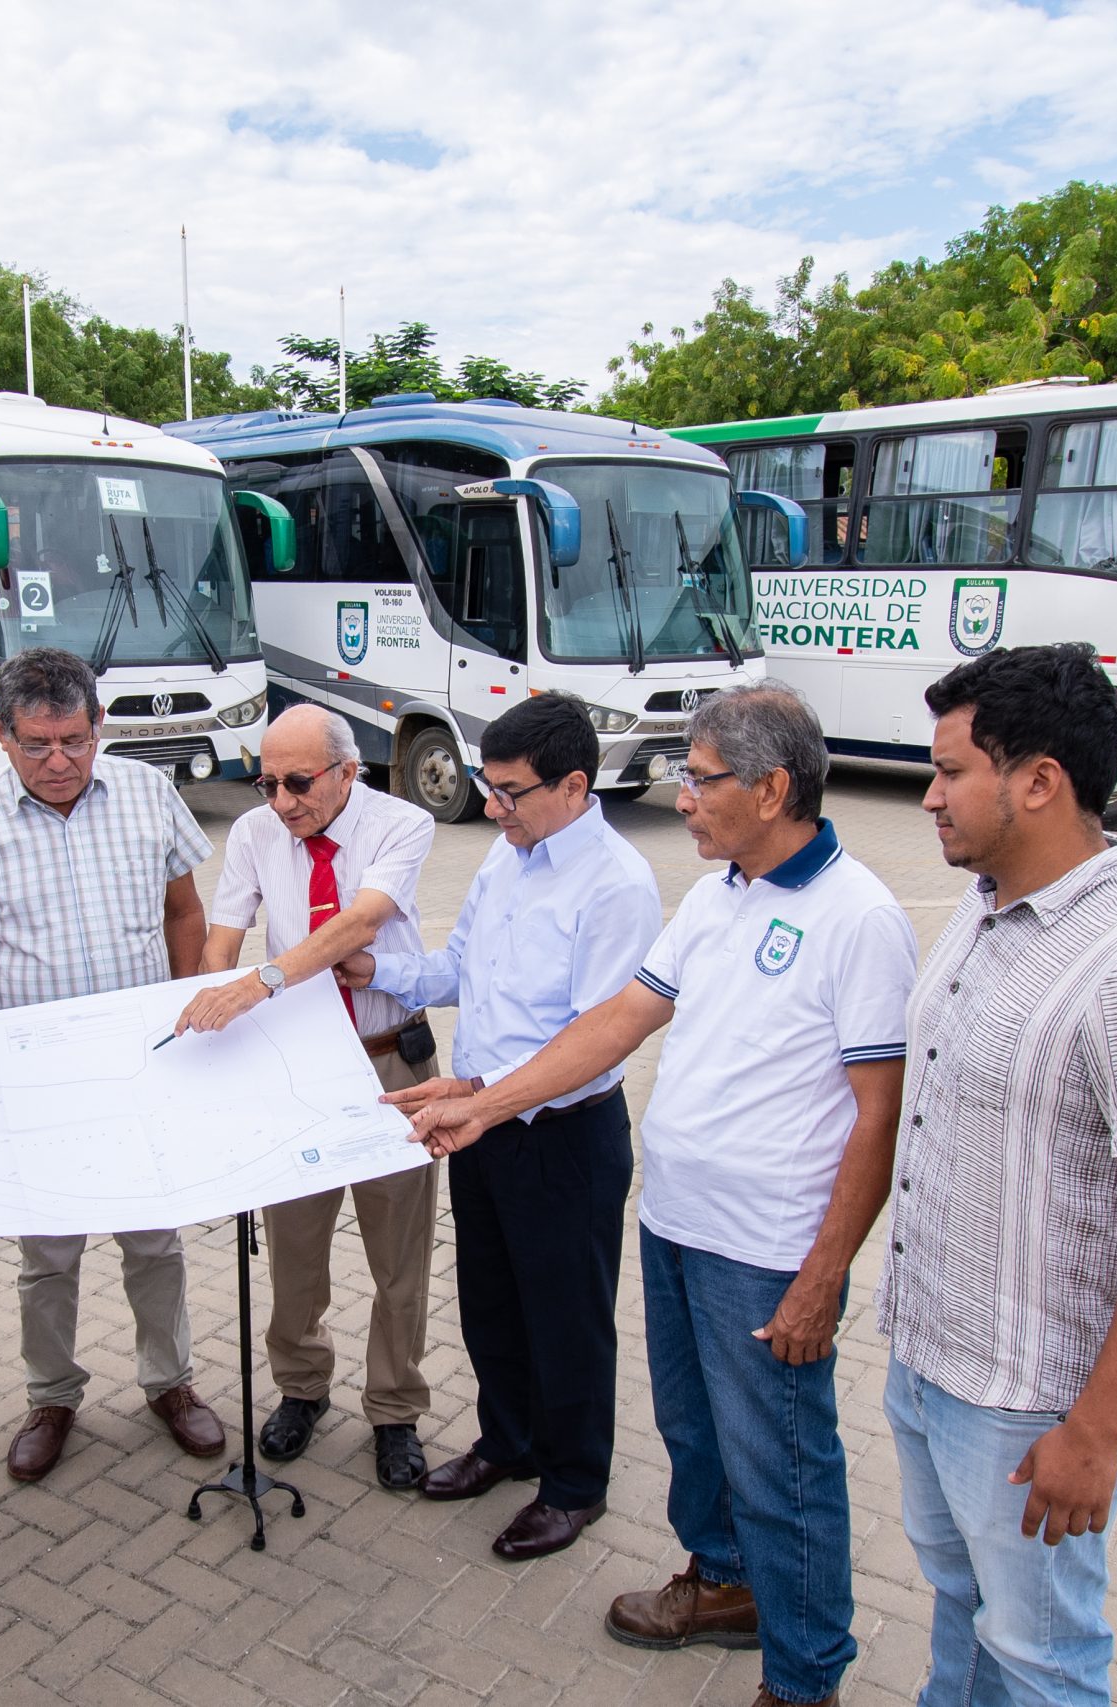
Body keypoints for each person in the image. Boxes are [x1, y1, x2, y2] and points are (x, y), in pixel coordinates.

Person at [397, 682, 915, 1707]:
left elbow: (879, 1115)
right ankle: (721, 1583)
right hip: (678, 1224)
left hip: (766, 1252)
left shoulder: (859, 918)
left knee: (783, 1464)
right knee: (694, 1437)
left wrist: (824, 1275)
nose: (681, 796)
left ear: (771, 790)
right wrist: (485, 1103)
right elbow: (617, 1022)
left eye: (702, 777)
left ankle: (805, 1673)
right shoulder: (718, 897)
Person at [885, 644, 1117, 1707]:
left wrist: (1094, 1430)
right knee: (963, 1607)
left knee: (1044, 1661)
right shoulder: (984, 908)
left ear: (1037, 782)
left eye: (951, 772)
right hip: (933, 1362)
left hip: (1033, 1407)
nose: (930, 795)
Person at [0, 647, 226, 1481]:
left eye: (74, 740)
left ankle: (170, 1383)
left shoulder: (147, 792)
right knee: (48, 1254)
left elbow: (185, 913)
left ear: (98, 725)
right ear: (0, 731)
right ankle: (51, 1394)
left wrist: (187, 1011)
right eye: (35, 744)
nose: (58, 762)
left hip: (143, 1067)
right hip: (32, 1078)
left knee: (155, 1241)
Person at [343, 694, 659, 1556]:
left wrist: (482, 1095)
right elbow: (457, 969)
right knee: (490, 1300)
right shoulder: (506, 859)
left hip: (561, 1134)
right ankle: (508, 1442)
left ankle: (573, 1481)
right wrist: (375, 966)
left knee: (567, 1316)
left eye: (510, 792)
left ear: (574, 785)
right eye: (490, 785)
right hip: (480, 1122)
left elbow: (592, 1041)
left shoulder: (617, 884)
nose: (492, 806)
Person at [175, 704, 440, 1490]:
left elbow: (360, 922)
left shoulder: (402, 824)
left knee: (399, 1256)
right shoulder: (258, 832)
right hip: (297, 1070)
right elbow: (224, 933)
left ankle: (394, 1408)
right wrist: (209, 991)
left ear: (346, 773)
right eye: (266, 783)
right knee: (294, 1246)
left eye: (297, 783)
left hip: (391, 1064)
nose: (282, 802)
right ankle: (301, 1387)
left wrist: (260, 980)